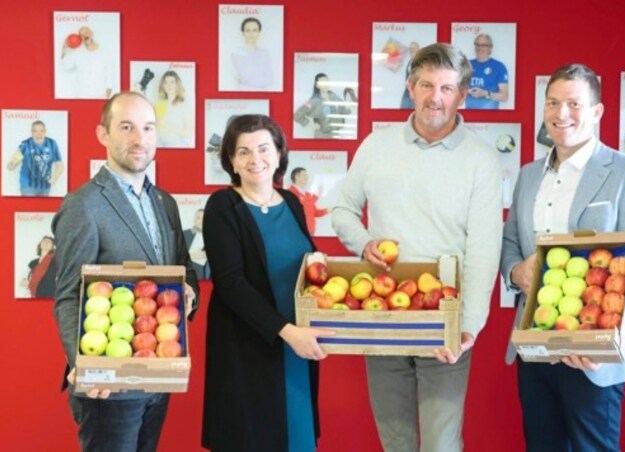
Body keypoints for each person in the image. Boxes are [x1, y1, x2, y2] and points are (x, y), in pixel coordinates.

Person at [332, 43, 503, 451]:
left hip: (445, 320)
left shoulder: (482, 160)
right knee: (395, 442)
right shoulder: (377, 145)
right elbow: (342, 209)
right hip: (383, 312)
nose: (435, 97)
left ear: (462, 95)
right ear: (410, 87)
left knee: (441, 444)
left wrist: (469, 326)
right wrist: (363, 242)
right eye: (426, 85)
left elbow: (483, 248)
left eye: (446, 88)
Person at [501, 64, 625, 451]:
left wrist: (598, 341)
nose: (562, 114)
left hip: (594, 356)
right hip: (537, 342)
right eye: (553, 102)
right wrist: (515, 271)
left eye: (574, 103)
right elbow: (511, 243)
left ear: (597, 112)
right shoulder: (527, 175)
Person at [52, 91, 199, 452]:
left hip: (157, 372)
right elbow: (70, 295)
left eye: (148, 128)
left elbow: (181, 269)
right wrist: (86, 366)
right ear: (103, 135)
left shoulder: (164, 202)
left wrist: (189, 292)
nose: (139, 139)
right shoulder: (83, 204)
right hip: (111, 384)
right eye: (127, 127)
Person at [201, 114, 332, 451]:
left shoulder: (291, 202)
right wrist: (287, 333)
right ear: (231, 160)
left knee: (297, 436)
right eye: (243, 151)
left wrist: (319, 267)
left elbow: (304, 264)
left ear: (278, 153)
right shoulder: (222, 206)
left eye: (263, 148)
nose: (254, 159)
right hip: (249, 346)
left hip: (298, 348)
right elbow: (230, 283)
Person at [7, 120, 64, 196]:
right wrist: (12, 163)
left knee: (43, 208)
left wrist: (55, 178)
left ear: (45, 131)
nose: (38, 134)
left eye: (41, 131)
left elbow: (59, 165)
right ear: (31, 132)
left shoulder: (52, 144)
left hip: (45, 187)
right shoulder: (25, 144)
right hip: (28, 186)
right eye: (35, 131)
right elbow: (11, 166)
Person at [60, 26, 113, 99]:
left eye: (86, 33)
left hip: (100, 93)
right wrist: (64, 50)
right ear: (80, 38)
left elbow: (110, 71)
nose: (85, 36)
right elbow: (66, 66)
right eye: (81, 35)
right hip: (81, 95)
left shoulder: (104, 51)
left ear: (91, 33)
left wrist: (109, 87)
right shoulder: (77, 53)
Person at [294, 73, 351, 139]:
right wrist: (311, 124)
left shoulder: (335, 97)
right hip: (322, 136)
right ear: (317, 85)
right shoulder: (314, 101)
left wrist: (348, 102)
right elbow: (297, 115)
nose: (325, 84)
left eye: (326, 81)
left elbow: (345, 111)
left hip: (336, 135)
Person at [465, 33, 509, 109]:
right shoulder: (466, 65)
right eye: (477, 44)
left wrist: (485, 93)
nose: (479, 48)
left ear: (490, 48)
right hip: (469, 115)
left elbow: (504, 96)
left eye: (483, 45)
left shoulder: (499, 67)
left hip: (490, 117)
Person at [231, 17, 274, 90]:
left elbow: (269, 79)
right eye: (248, 30)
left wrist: (245, 81)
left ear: (259, 32)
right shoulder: (235, 54)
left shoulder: (264, 54)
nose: (251, 34)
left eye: (255, 30)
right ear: (242, 33)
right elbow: (235, 77)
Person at [154, 70, 193, 148]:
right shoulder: (159, 104)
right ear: (163, 85)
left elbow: (189, 133)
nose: (169, 86)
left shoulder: (184, 105)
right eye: (166, 82)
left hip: (178, 146)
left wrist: (168, 125)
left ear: (177, 85)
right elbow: (157, 128)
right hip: (160, 145)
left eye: (172, 82)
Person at [288, 167, 328, 235]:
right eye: (304, 175)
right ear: (297, 177)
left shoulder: (307, 195)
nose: (307, 177)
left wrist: (329, 209)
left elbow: (315, 213)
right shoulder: (289, 194)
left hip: (310, 233)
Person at [183, 208, 209, 279]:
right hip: (188, 272)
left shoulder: (213, 236)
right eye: (198, 218)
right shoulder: (184, 234)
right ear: (194, 219)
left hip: (207, 274)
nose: (201, 221)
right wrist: (192, 256)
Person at [400, 41, 420, 109]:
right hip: (407, 91)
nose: (412, 52)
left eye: (414, 50)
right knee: (403, 110)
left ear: (418, 51)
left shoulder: (421, 64)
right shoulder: (409, 62)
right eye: (410, 50)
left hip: (416, 92)